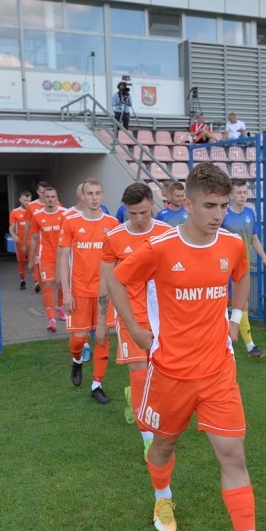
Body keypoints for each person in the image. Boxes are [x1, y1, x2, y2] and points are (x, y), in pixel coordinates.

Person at [106, 162, 266, 531]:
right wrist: (135, 329)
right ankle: (162, 497)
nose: (218, 214)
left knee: (234, 457)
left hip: (218, 372)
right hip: (170, 372)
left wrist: (235, 316)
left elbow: (241, 277)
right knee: (163, 446)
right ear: (186, 203)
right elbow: (117, 280)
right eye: (209, 205)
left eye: (223, 206)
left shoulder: (231, 245)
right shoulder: (160, 248)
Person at [97, 183, 171, 456]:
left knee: (160, 373)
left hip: (161, 317)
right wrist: (100, 321)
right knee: (139, 372)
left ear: (153, 204)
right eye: (132, 214)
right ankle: (147, 438)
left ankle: (139, 403)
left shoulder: (167, 234)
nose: (139, 219)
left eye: (143, 212)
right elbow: (105, 282)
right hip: (129, 315)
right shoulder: (114, 238)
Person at [57, 178, 119, 403]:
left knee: (102, 338)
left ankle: (97, 385)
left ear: (102, 196)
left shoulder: (112, 224)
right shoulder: (71, 222)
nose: (94, 198)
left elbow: (119, 259)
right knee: (78, 339)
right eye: (89, 193)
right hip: (79, 291)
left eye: (97, 193)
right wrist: (66, 291)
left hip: (104, 293)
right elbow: (63, 258)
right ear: (82, 196)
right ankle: (77, 360)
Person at [222, 178, 266, 360]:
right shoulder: (224, 215)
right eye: (239, 193)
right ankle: (223, 344)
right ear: (231, 195)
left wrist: (264, 256)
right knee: (224, 305)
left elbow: (253, 238)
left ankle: (249, 346)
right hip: (225, 269)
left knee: (241, 305)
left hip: (242, 269)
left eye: (245, 192)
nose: (243, 196)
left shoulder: (250, 213)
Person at [28, 186, 67, 332]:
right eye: (47, 197)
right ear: (43, 198)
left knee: (62, 284)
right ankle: (51, 319)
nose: (50, 199)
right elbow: (33, 238)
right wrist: (31, 259)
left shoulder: (65, 213)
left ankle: (60, 308)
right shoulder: (37, 215)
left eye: (53, 197)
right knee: (48, 285)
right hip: (46, 257)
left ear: (57, 199)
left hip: (62, 256)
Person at [9, 190, 32, 290]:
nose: (27, 202)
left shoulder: (34, 211)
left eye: (29, 200)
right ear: (20, 200)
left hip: (32, 240)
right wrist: (13, 235)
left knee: (34, 260)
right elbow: (11, 226)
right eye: (25, 200)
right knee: (21, 261)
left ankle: (37, 283)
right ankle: (22, 280)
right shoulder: (15, 212)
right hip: (20, 241)